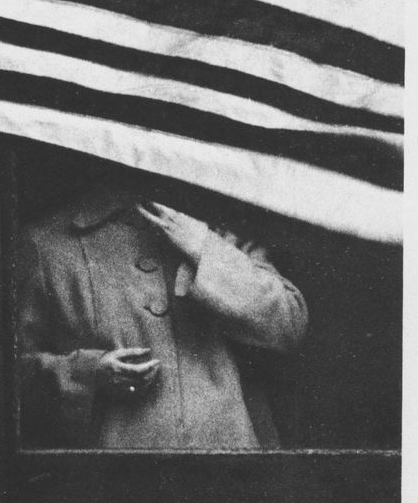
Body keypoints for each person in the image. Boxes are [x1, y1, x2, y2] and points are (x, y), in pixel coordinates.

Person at [16, 174, 307, 449]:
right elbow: (10, 378)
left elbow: (289, 324)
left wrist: (203, 248)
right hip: (113, 474)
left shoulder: (221, 230)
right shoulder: (47, 243)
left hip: (230, 468)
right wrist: (89, 373)